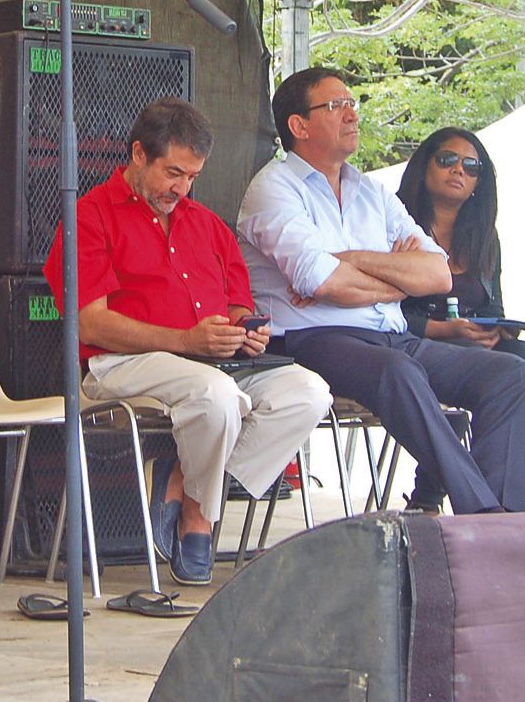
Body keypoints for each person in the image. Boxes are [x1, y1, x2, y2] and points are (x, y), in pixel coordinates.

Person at [43, 98, 331, 587]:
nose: (182, 188)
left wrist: (246, 329)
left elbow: (238, 304)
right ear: (138, 154)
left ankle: (186, 486)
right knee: (215, 396)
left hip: (210, 365)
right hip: (120, 365)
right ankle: (198, 519)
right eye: (173, 173)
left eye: (193, 176)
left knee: (308, 392)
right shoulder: (88, 217)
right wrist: (185, 340)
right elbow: (89, 324)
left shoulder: (209, 226)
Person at [235, 67, 525, 515]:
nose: (352, 113)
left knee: (511, 375)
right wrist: (394, 280)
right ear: (298, 126)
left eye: (352, 102)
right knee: (399, 371)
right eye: (336, 105)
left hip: (391, 337)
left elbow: (439, 276)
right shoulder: (273, 188)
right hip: (312, 339)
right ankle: (485, 517)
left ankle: (498, 523)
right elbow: (321, 282)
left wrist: (349, 258)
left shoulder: (372, 192)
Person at [396, 128, 525, 510]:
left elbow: (492, 304)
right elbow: (383, 313)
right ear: (424, 166)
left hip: (470, 339)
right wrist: (440, 329)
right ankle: (432, 497)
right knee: (496, 374)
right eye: (448, 160)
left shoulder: (483, 235)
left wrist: (497, 327)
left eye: (472, 166)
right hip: (416, 341)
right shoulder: (396, 224)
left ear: (479, 183)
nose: (459, 171)